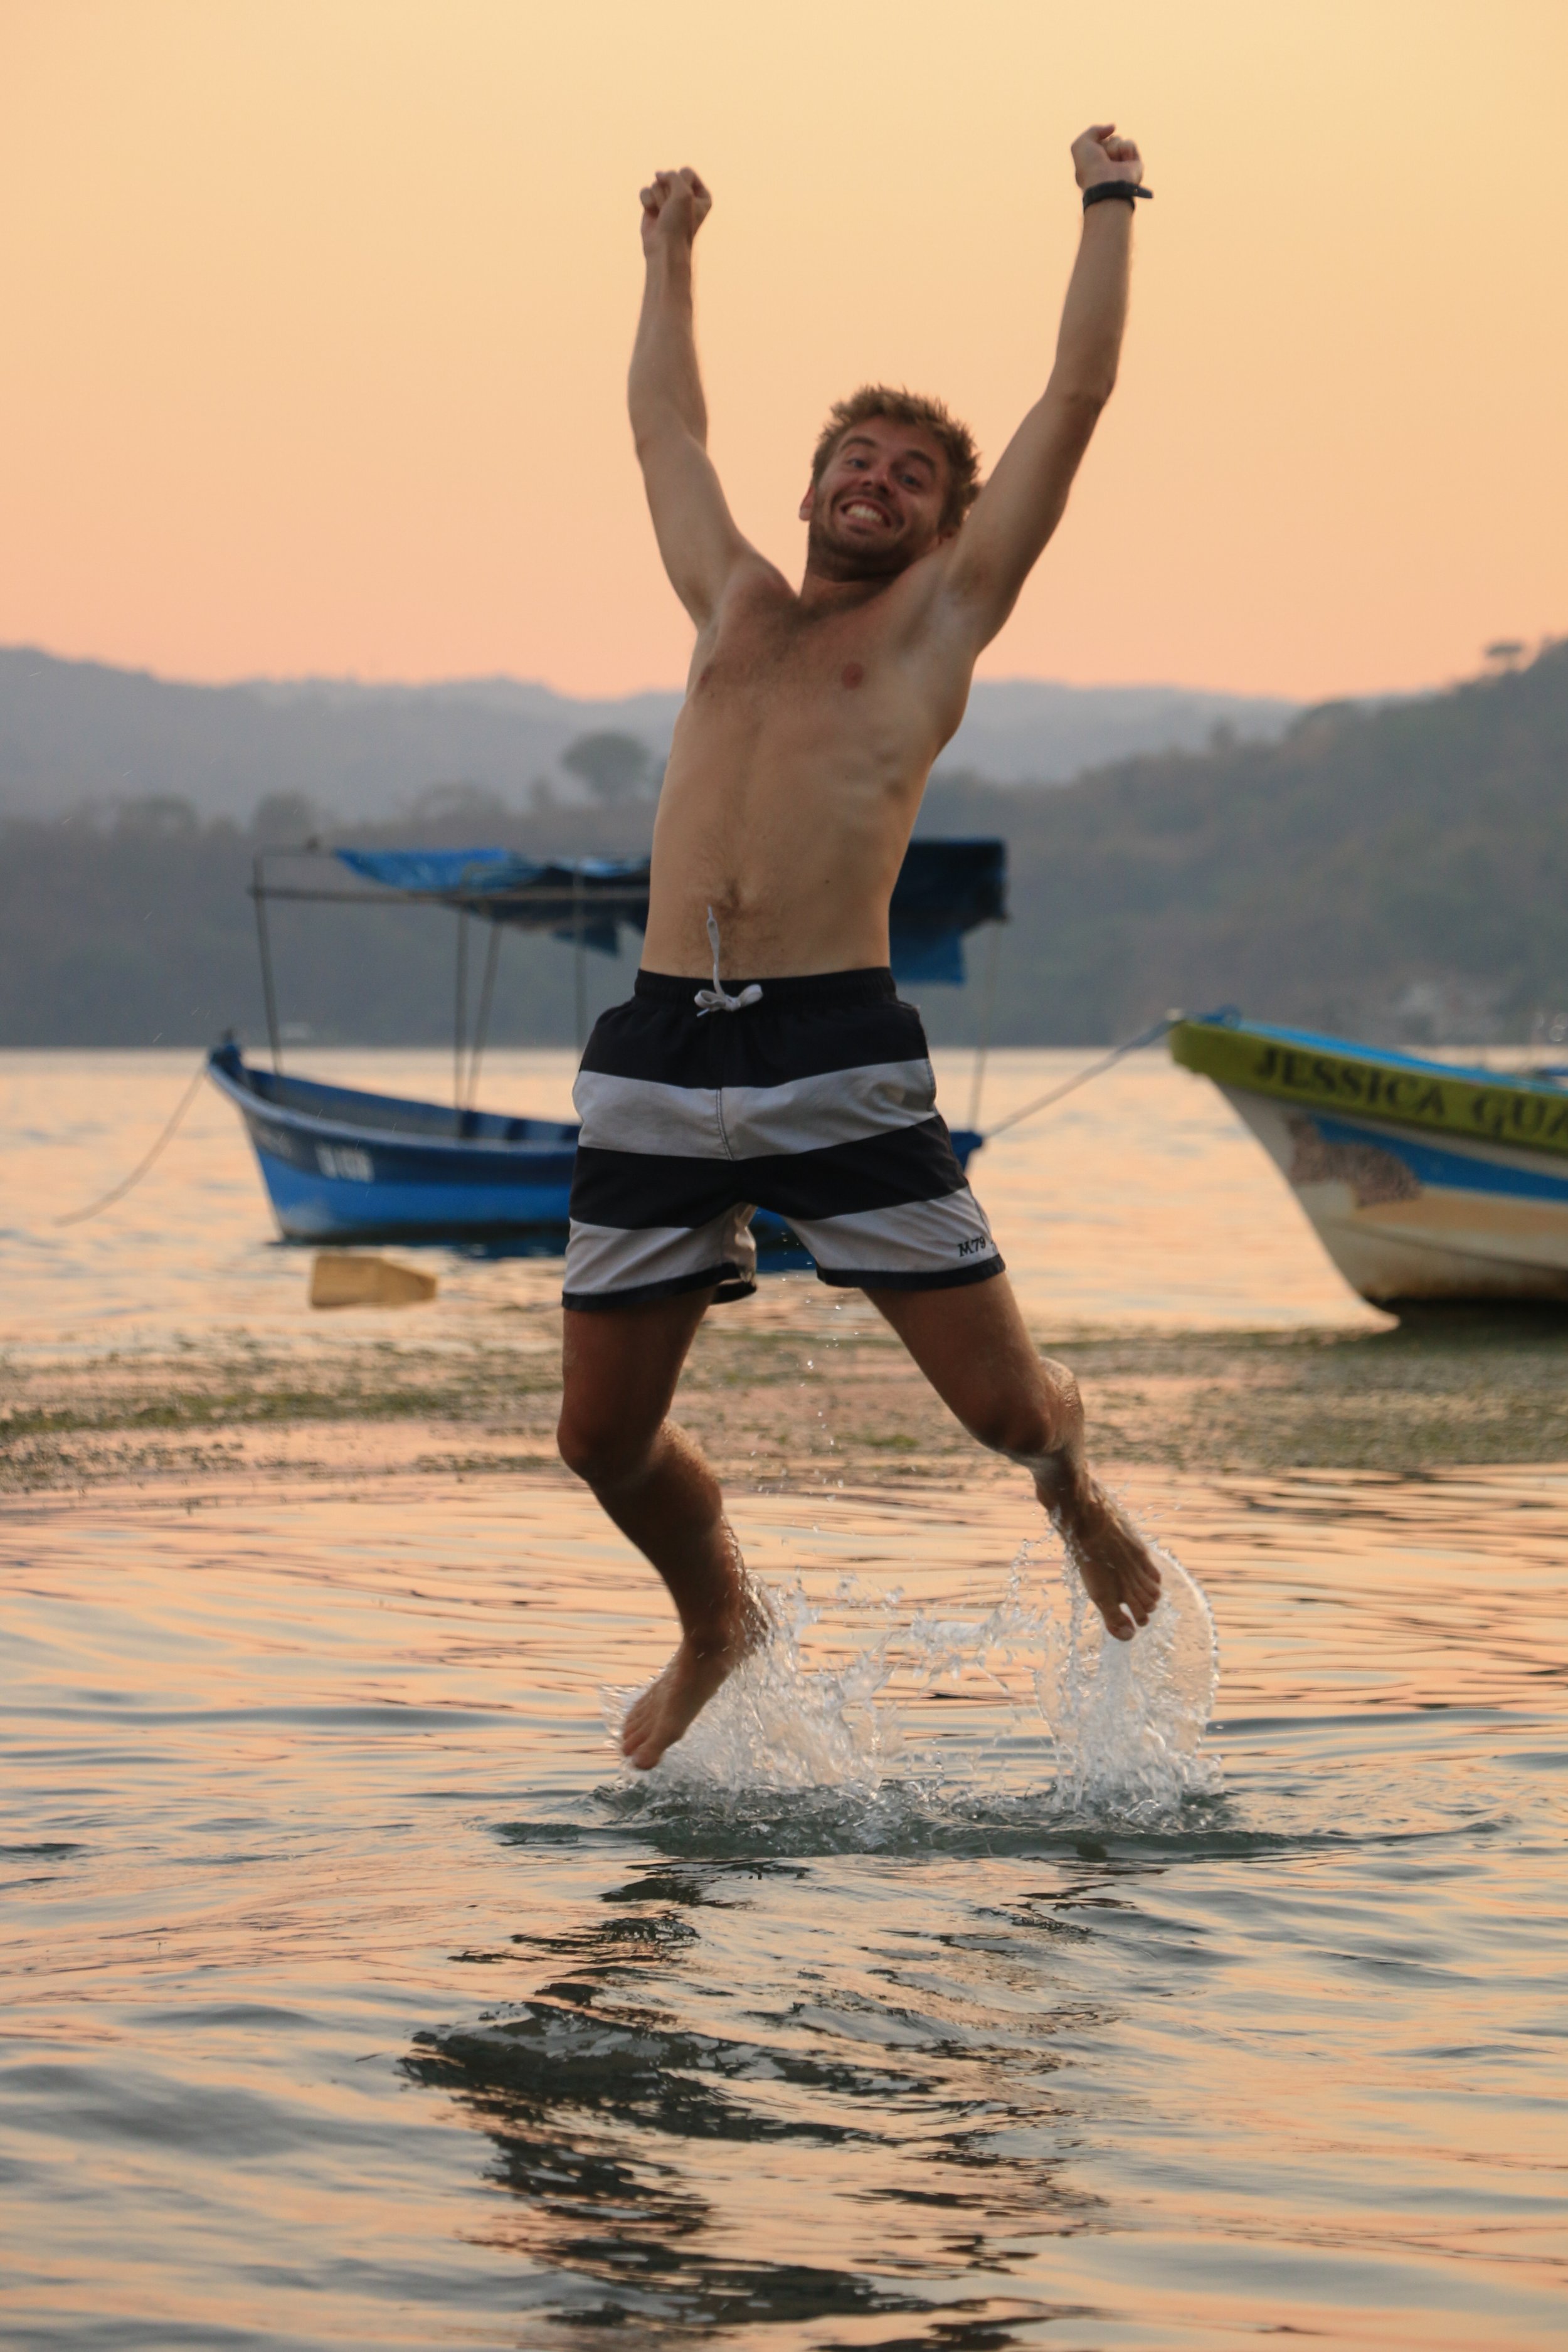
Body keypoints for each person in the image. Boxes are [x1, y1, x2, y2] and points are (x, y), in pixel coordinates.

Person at [557, 125, 1163, 1770]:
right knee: (597, 1438)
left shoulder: (937, 622)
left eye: (909, 468)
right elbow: (661, 426)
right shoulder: (730, 606)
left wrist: (1107, 204)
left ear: (947, 518)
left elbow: (1074, 398)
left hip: (832, 1044)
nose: (872, 478)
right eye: (853, 456)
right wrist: (668, 251)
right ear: (811, 483)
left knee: (999, 1413)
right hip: (662, 1046)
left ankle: (1073, 1483)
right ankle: (717, 1625)